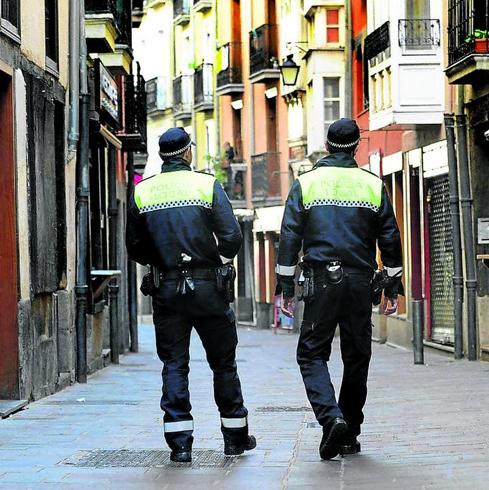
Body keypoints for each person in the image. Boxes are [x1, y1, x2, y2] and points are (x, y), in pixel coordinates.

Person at [126, 127, 256, 463]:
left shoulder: (144, 191)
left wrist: (162, 262)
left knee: (174, 363)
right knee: (223, 364)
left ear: (161, 155)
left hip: (167, 288)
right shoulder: (206, 185)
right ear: (187, 153)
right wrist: (213, 256)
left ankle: (180, 444)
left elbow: (135, 246)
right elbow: (231, 236)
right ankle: (234, 438)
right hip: (209, 287)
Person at [276, 118, 403, 460]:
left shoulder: (306, 184)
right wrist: (393, 285)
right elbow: (390, 238)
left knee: (311, 353)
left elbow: (289, 238)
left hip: (322, 281)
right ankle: (349, 431)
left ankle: (332, 419)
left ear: (327, 145)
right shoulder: (372, 185)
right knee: (357, 355)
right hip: (361, 282)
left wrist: (285, 287)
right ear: (356, 146)